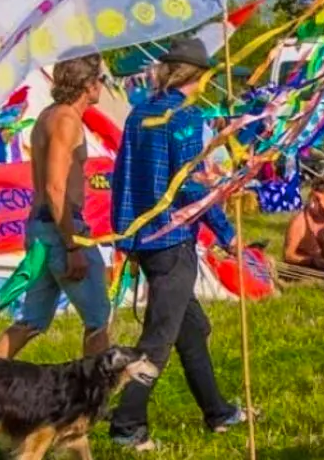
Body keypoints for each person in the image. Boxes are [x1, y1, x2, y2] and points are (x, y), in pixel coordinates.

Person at [108, 37, 245, 452]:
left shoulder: (139, 113)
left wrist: (125, 231)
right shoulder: (186, 117)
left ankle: (218, 412)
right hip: (172, 241)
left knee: (192, 329)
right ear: (197, 76)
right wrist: (227, 233)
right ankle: (127, 423)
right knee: (158, 339)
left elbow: (122, 176)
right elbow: (189, 187)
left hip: (144, 238)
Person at [0, 55, 111, 359]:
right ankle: (93, 401)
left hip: (43, 226)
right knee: (98, 320)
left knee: (32, 321)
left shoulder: (49, 115)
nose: (103, 86)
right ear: (87, 84)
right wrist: (73, 246)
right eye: (101, 79)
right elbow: (55, 188)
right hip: (62, 228)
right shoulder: (66, 120)